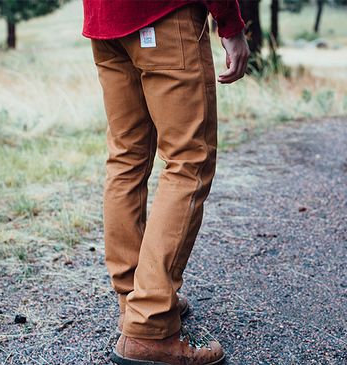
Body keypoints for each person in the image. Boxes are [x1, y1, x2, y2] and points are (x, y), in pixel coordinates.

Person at [82, 1, 250, 364]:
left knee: (126, 159)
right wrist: (231, 24)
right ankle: (150, 323)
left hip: (105, 19)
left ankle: (135, 300)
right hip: (162, 14)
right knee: (189, 161)